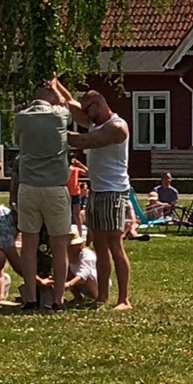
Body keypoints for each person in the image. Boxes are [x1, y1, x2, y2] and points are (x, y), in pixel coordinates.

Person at [66, 87, 133, 309]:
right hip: (97, 191)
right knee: (100, 245)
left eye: (88, 109)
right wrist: (54, 83)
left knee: (115, 243)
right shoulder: (96, 123)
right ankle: (102, 296)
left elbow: (86, 141)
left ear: (99, 104)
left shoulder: (117, 127)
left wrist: (50, 132)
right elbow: (69, 103)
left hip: (114, 192)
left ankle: (124, 299)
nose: (85, 114)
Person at [13, 78, 75, 310]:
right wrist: (57, 85)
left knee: (29, 244)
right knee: (60, 246)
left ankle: (30, 297)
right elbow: (67, 102)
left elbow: (18, 139)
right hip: (55, 188)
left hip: (28, 187)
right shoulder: (59, 115)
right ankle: (58, 299)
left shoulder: (21, 118)